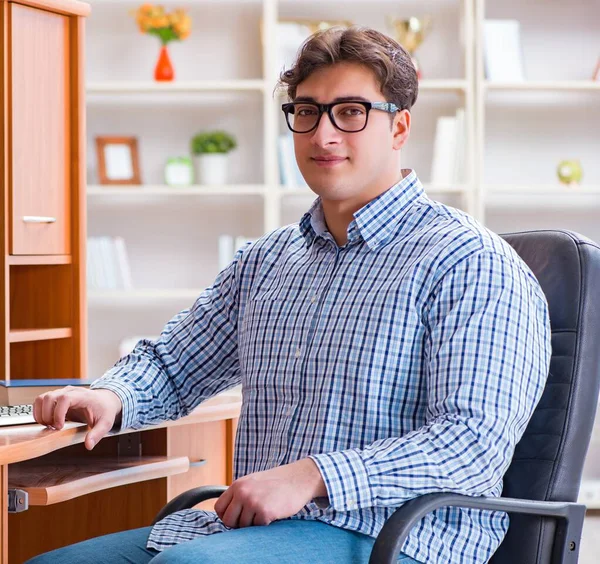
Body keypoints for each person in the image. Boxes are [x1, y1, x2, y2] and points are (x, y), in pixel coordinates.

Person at [27, 26, 551, 564]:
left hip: (395, 539)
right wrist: (111, 396)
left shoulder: (471, 263)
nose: (323, 134)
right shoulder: (266, 261)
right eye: (307, 112)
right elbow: (173, 364)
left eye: (350, 112)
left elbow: (469, 441)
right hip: (252, 530)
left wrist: (312, 477)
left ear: (400, 128)